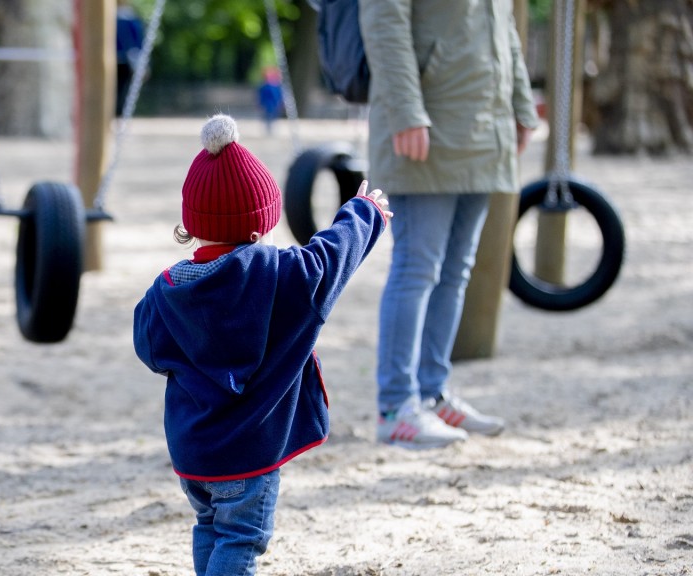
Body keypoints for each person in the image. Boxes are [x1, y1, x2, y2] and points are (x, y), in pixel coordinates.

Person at [133, 114, 391, 575]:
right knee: (242, 538)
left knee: (210, 526)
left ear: (193, 226)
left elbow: (147, 347)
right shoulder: (280, 276)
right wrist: (364, 212)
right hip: (248, 456)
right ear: (258, 229)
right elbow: (332, 257)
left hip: (193, 451)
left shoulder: (166, 290)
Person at [359, 0, 540, 449]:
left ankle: (431, 393)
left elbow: (506, 30)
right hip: (428, 124)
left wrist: (519, 104)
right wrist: (405, 111)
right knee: (418, 267)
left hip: (483, 128)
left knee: (457, 270)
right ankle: (396, 407)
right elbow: (384, 21)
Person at [116, 0, 145, 116]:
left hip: (125, 60)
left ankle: (119, 112)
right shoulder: (131, 19)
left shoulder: (130, 18)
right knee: (120, 88)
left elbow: (136, 43)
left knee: (121, 88)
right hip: (121, 59)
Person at [256, 67, 284, 135]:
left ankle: (270, 129)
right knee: (269, 117)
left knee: (270, 117)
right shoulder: (272, 87)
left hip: (270, 104)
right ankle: (269, 129)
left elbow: (261, 96)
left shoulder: (268, 86)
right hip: (270, 104)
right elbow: (261, 96)